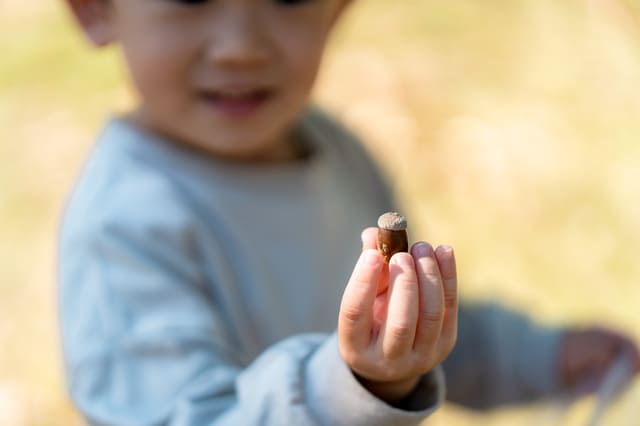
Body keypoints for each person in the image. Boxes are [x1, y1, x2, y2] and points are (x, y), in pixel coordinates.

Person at [58, 0, 640, 425]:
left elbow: (404, 335)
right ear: (94, 9)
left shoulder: (335, 150)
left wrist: (537, 357)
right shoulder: (125, 230)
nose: (240, 45)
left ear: (338, 9)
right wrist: (354, 385)